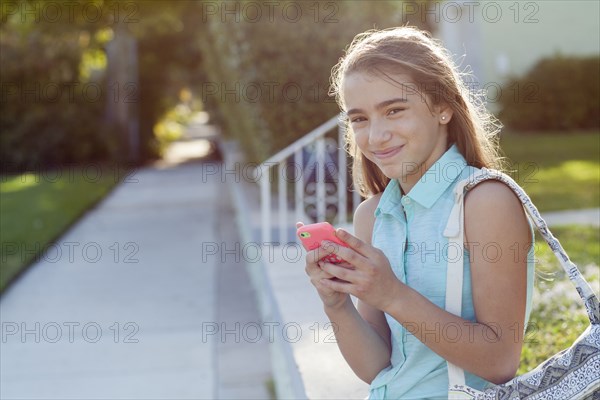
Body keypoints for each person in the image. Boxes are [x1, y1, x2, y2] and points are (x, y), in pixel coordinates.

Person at [298, 26, 535, 399]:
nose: (375, 136)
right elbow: (378, 368)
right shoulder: (372, 216)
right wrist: (337, 305)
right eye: (359, 119)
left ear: (442, 107)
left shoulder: (484, 201)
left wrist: (391, 294)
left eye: (394, 110)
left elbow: (500, 361)